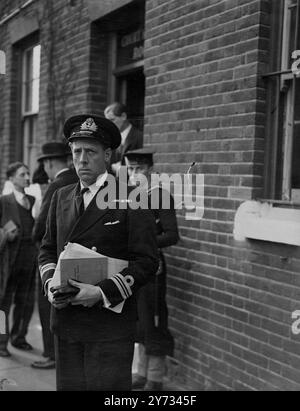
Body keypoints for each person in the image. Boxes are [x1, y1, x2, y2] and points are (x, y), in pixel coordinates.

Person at [38, 114, 159, 391]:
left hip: (109, 328)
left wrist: (102, 292)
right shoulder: (62, 196)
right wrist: (49, 285)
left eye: (90, 152)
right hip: (67, 323)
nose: (82, 159)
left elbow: (147, 261)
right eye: (76, 151)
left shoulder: (132, 196)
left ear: (107, 155)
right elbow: (46, 249)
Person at [124, 148, 180, 391]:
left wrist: (143, 242)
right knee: (139, 319)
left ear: (150, 170)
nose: (134, 174)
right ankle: (141, 372)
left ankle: (155, 378)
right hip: (134, 266)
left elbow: (172, 235)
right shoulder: (129, 196)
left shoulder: (160, 196)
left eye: (139, 169)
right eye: (131, 169)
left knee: (155, 319)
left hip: (153, 267)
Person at [31, 142, 78, 370]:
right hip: (81, 257)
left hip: (55, 258)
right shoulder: (79, 179)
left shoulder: (56, 185)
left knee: (47, 303)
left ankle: (52, 354)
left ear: (48, 163)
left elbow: (40, 228)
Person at [0, 162, 37, 357]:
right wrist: (7, 228)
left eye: (28, 173)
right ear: (12, 178)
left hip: (29, 259)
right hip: (9, 259)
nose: (27, 177)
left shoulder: (33, 200)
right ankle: (0, 342)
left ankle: (19, 337)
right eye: (22, 174)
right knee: (3, 302)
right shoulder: (3, 201)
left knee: (25, 301)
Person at [104, 102, 143, 175]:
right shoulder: (110, 138)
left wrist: (121, 169)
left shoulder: (139, 136)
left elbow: (140, 165)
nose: (110, 124)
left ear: (123, 116)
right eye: (108, 121)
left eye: (112, 120)